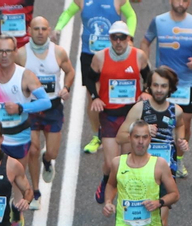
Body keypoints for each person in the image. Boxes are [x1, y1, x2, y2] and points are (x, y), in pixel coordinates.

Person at [119, 68, 187, 226]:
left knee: (162, 222)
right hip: (140, 171)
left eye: (163, 86)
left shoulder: (176, 111)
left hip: (164, 171)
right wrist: (142, 128)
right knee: (140, 217)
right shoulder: (140, 108)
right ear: (149, 86)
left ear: (170, 88)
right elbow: (121, 136)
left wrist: (182, 143)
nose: (159, 90)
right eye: (155, 85)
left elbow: (181, 137)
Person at [0, 35, 57, 205]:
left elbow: (45, 102)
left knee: (16, 176)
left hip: (19, 136)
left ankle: (17, 210)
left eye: (8, 51)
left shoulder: (26, 76)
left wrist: (21, 108)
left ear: (15, 52)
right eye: (1, 51)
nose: (4, 55)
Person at [53, 0, 138, 154]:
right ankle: (96, 136)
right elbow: (67, 13)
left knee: (113, 93)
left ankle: (120, 130)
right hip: (89, 55)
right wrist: (58, 28)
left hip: (113, 55)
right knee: (93, 96)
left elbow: (131, 16)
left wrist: (130, 36)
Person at [145, 0, 192, 178]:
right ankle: (155, 160)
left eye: (185, 0)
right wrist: (148, 69)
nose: (181, 3)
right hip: (162, 85)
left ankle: (178, 159)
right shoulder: (158, 21)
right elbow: (145, 43)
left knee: (185, 124)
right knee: (158, 122)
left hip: (187, 84)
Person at [89, 23, 150, 204]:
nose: (118, 42)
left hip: (132, 114)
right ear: (110, 38)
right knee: (111, 162)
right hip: (109, 115)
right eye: (114, 37)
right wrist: (95, 97)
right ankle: (106, 180)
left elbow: (149, 76)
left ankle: (125, 197)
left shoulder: (139, 56)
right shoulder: (100, 57)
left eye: (122, 38)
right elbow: (89, 78)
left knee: (126, 161)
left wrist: (146, 91)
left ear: (128, 39)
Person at [24, 17, 78, 184]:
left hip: (53, 105)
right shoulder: (20, 54)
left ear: (49, 31)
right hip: (31, 106)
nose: (40, 32)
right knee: (32, 150)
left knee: (53, 152)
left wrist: (66, 88)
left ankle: (47, 160)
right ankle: (35, 190)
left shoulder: (59, 52)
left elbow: (70, 72)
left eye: (44, 29)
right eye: (36, 28)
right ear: (29, 31)